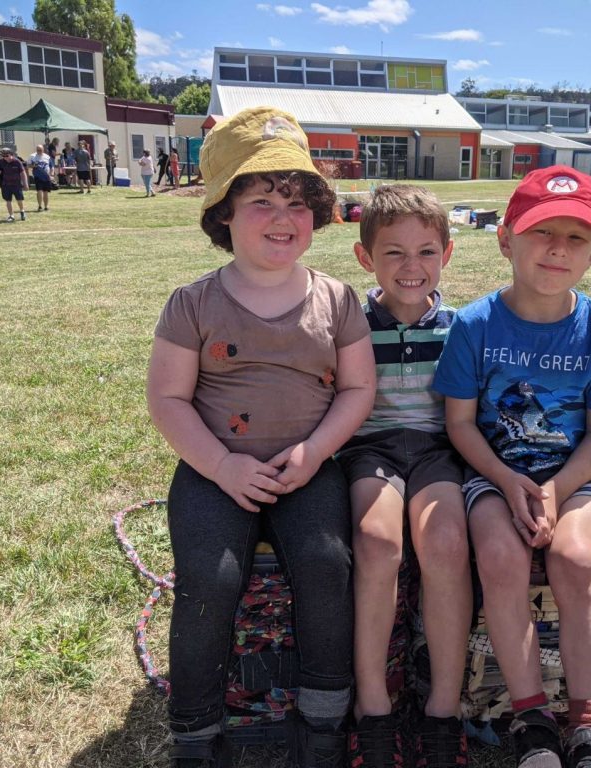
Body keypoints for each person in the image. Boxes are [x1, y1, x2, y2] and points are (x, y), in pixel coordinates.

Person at [146, 106, 376, 768]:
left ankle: (323, 724)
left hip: (309, 468)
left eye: (300, 202)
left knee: (327, 567)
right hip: (215, 472)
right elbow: (167, 398)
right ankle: (196, 733)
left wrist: (316, 452)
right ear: (222, 212)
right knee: (209, 579)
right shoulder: (192, 303)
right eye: (262, 200)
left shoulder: (336, 299)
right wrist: (220, 466)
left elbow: (358, 389)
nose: (284, 217)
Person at [434, 166, 591, 768]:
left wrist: (554, 489)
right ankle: (531, 719)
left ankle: (590, 722)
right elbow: (460, 423)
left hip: (579, 477)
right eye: (543, 232)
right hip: (495, 471)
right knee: (499, 556)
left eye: (577, 238)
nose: (558, 249)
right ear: (505, 238)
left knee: (575, 558)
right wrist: (507, 480)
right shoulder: (474, 325)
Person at [336, 185, 471, 768]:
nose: (411, 268)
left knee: (444, 542)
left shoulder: (464, 328)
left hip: (440, 450)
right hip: (372, 450)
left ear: (446, 253)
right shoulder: (349, 325)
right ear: (366, 258)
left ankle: (444, 707)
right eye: (393, 253)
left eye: (425, 252)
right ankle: (373, 706)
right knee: (376, 540)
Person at [0, 147, 28, 221]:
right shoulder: (0, 162)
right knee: (8, 200)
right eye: (3, 156)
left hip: (16, 184)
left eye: (6, 156)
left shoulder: (17, 162)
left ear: (11, 154)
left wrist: (25, 184)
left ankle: (22, 211)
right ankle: (11, 216)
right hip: (5, 184)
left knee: (19, 200)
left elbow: (23, 173)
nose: (5, 158)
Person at [27, 144, 52, 212]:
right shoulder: (32, 156)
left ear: (43, 150)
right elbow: (28, 165)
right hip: (38, 176)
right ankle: (40, 206)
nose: (39, 151)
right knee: (39, 191)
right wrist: (33, 165)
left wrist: (51, 174)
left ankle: (46, 206)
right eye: (38, 150)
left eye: (40, 150)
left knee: (46, 192)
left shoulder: (47, 157)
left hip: (46, 176)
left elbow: (51, 166)